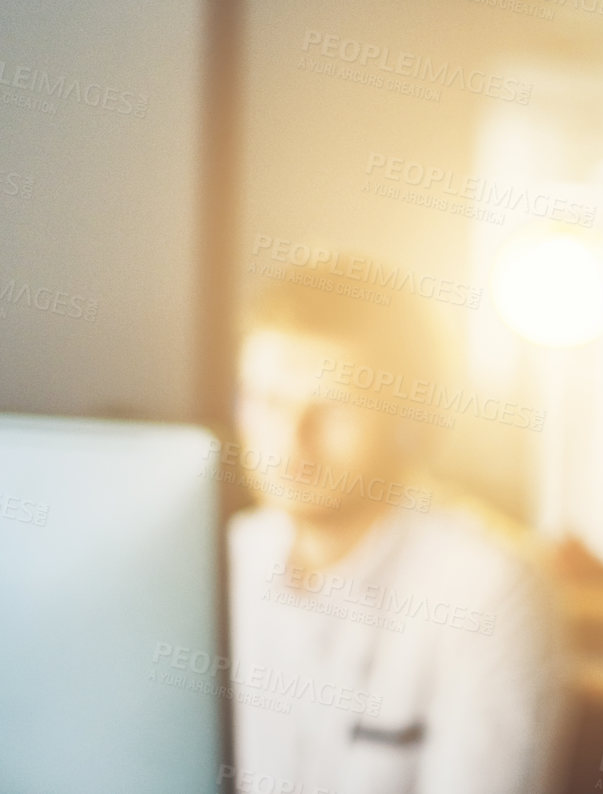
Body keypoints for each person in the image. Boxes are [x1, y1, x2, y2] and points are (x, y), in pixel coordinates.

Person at [227, 261, 574, 794]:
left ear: (405, 417)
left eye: (333, 406)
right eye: (269, 401)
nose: (292, 439)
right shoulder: (227, 561)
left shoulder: (488, 588)